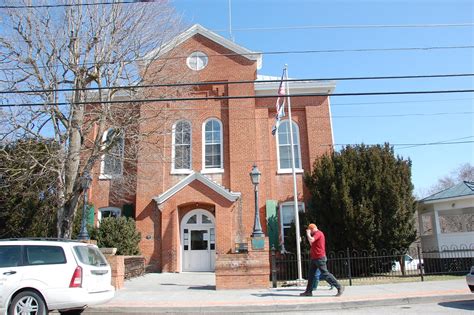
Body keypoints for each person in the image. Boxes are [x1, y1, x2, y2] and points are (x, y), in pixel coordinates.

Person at [300, 223, 344, 297]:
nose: (310, 232)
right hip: (314, 258)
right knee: (311, 275)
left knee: (325, 274)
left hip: (319, 258)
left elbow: (311, 239)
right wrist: (309, 236)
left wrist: (308, 234)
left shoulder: (318, 233)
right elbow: (311, 243)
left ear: (312, 229)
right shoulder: (315, 235)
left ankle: (339, 287)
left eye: (310, 230)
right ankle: (308, 291)